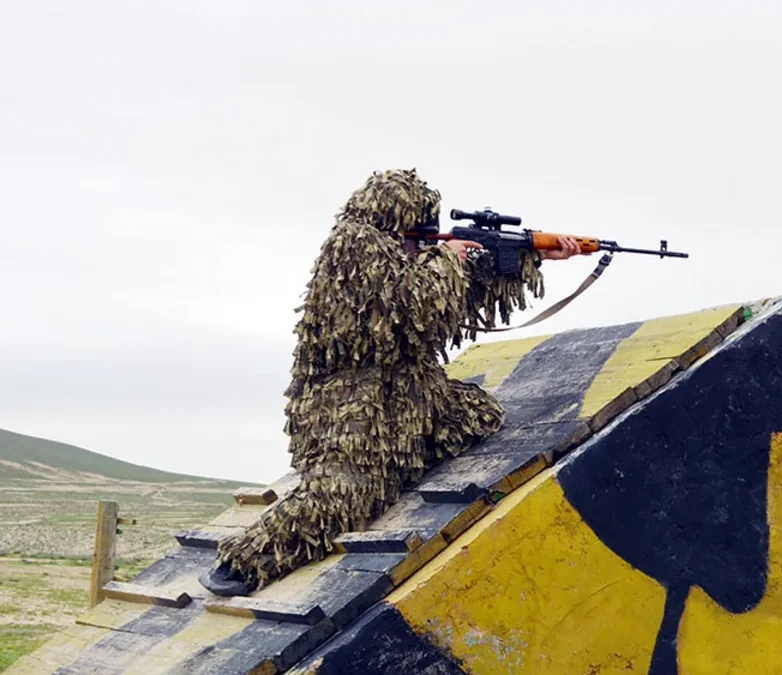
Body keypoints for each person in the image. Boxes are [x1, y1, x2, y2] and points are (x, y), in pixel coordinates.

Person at [200, 168, 584, 596]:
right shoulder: (354, 245)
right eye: (416, 232)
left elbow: (447, 305)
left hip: (408, 396)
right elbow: (408, 310)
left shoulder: (401, 256)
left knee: (478, 414)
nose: (422, 243)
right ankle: (242, 564)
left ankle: (399, 466)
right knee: (346, 495)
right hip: (349, 405)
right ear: (393, 215)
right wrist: (446, 258)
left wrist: (531, 257)